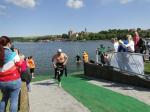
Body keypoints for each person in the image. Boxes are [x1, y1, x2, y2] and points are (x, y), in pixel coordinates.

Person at [0, 36, 22, 112]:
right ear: (9, 44)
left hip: (2, 82)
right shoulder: (13, 54)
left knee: (4, 99)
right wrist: (17, 54)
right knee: (14, 101)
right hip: (14, 81)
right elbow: (21, 65)